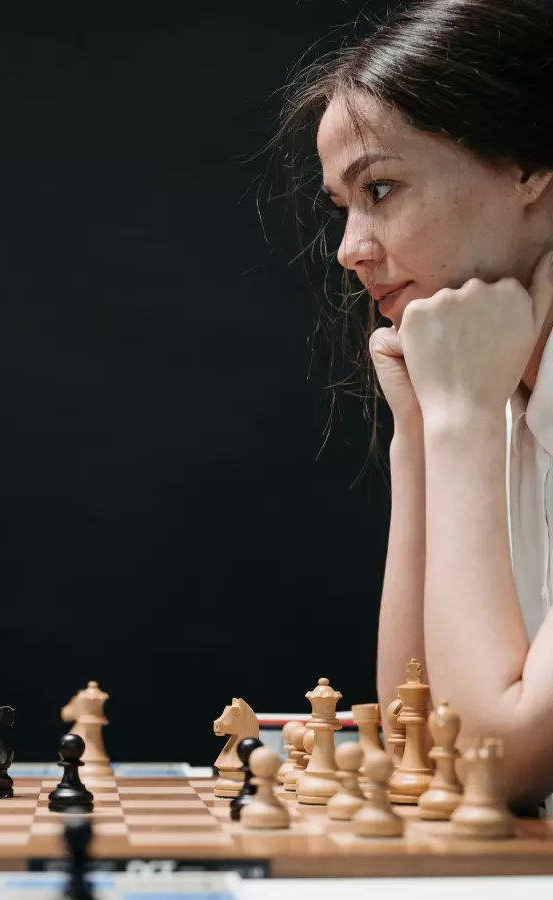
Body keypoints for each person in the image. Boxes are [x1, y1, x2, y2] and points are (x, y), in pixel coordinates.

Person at [273, 0, 553, 809]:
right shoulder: (494, 390)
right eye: (344, 205)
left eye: (383, 189)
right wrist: (423, 432)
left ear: (529, 167)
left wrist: (460, 422)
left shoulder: (482, 402)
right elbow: (417, 741)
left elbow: (495, 769)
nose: (350, 249)